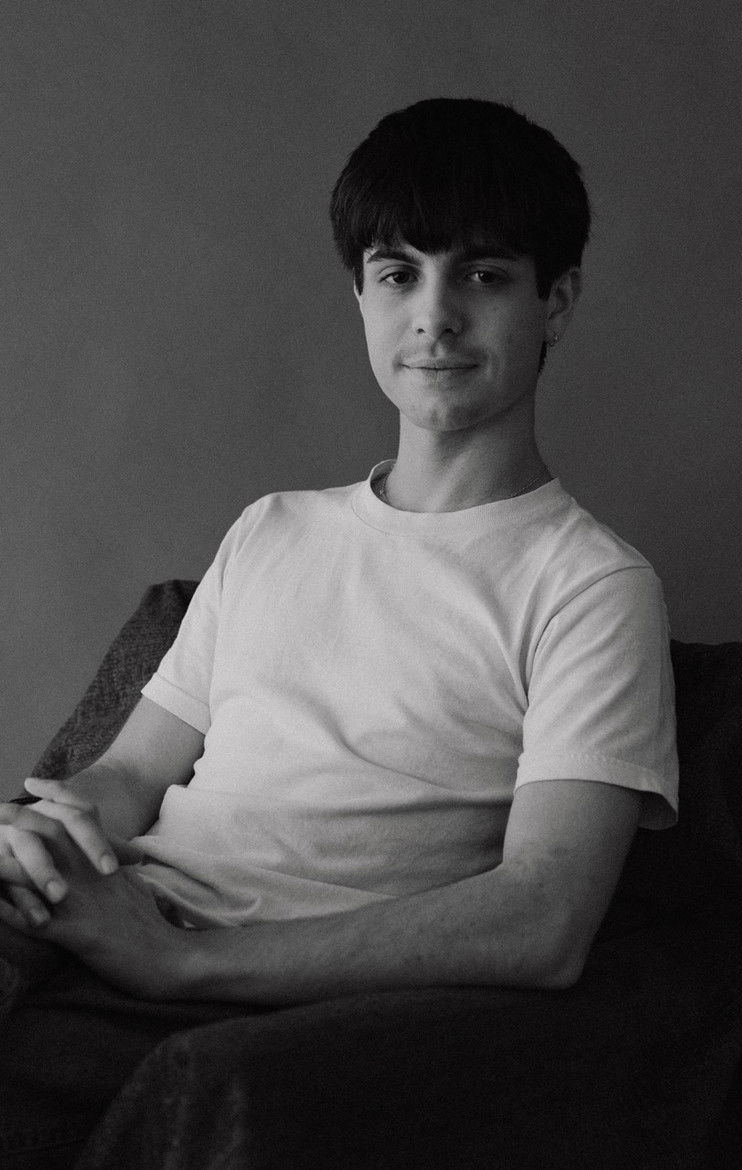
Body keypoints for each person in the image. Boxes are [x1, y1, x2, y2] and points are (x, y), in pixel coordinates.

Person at [0, 98, 678, 1164]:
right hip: (108, 926)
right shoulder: (272, 528)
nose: (435, 318)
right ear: (360, 295)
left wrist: (180, 963)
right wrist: (45, 830)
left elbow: (544, 920)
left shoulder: (590, 583)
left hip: (262, 1000)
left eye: (484, 275)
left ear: (557, 301)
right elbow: (128, 776)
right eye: (399, 273)